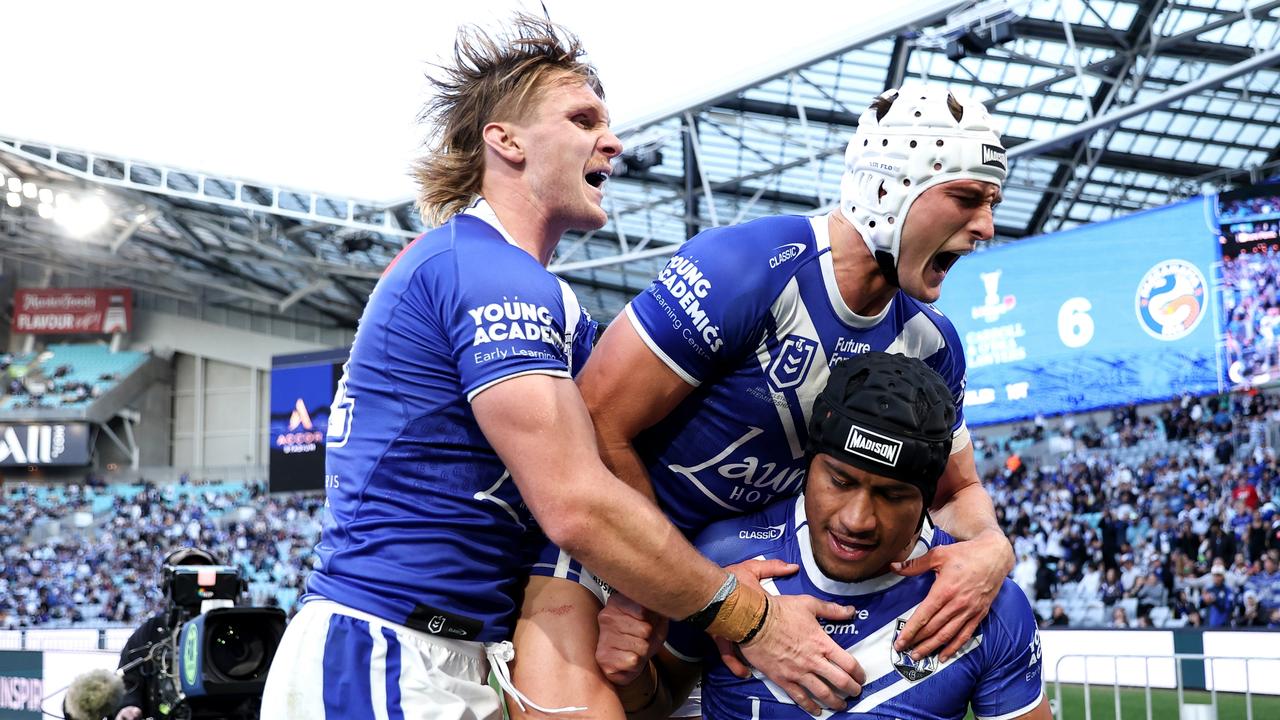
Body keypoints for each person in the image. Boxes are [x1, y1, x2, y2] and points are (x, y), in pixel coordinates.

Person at [260, 15, 861, 720]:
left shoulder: (544, 299)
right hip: (387, 652)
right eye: (582, 119)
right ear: (505, 140)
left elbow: (628, 460)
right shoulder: (486, 272)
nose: (613, 142)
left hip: (458, 655)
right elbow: (576, 505)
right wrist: (746, 617)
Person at [514, 84, 1016, 714]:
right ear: (889, 189)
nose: (987, 227)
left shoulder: (929, 344)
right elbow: (592, 422)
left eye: (991, 204)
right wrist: (655, 588)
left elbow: (956, 492)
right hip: (616, 564)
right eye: (968, 198)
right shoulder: (746, 268)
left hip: (748, 583)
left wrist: (991, 548)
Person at [596, 353, 1050, 719]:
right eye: (840, 480)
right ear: (808, 466)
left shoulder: (986, 606)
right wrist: (631, 673)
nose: (857, 519)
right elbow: (656, 705)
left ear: (927, 499)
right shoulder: (720, 561)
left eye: (891, 495)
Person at [114, 547, 221, 720]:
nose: (199, 585)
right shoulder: (152, 631)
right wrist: (129, 705)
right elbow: (127, 681)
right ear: (168, 584)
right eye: (188, 577)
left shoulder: (239, 626)